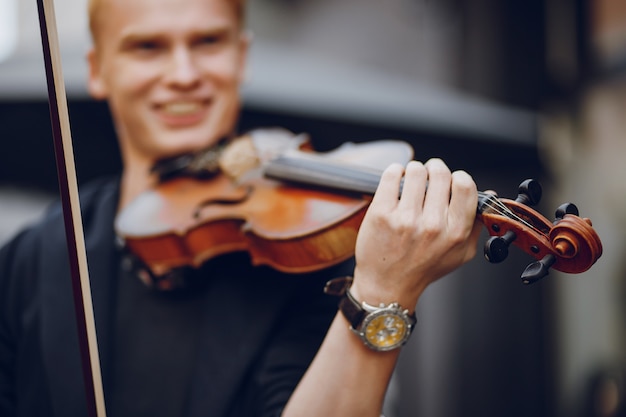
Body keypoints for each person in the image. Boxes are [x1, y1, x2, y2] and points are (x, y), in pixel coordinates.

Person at [0, 0, 482, 415]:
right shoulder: (31, 258)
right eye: (147, 47)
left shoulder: (306, 256)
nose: (184, 76)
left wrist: (380, 292)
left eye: (208, 41)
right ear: (98, 70)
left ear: (241, 57)